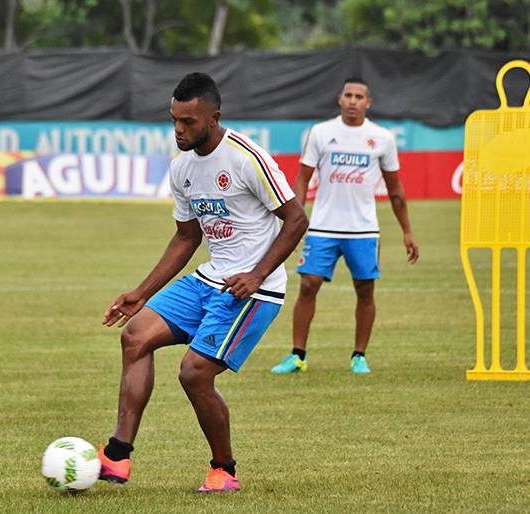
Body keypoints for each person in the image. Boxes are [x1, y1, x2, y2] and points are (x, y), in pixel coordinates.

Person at [98, 72, 308, 493]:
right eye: (174, 120)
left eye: (188, 122)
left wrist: (256, 273)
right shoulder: (182, 169)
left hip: (253, 288)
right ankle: (117, 456)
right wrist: (140, 294)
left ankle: (224, 470)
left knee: (194, 373)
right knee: (136, 337)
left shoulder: (247, 158)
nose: (178, 129)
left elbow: (297, 219)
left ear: (213, 118)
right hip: (209, 278)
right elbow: (186, 237)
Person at [270, 77, 419, 375]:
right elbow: (302, 178)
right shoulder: (321, 133)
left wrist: (407, 230)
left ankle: (358, 356)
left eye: (359, 96)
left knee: (365, 290)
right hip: (323, 227)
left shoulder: (382, 138)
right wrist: (294, 218)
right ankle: (297, 355)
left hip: (363, 230)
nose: (353, 101)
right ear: (340, 99)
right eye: (348, 95)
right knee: (308, 285)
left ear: (368, 103)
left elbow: (395, 190)